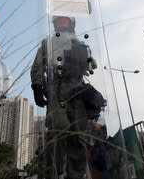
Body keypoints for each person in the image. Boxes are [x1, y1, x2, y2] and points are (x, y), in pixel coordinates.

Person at [31, 15, 101, 179]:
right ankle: (52, 173)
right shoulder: (48, 42)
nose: (62, 23)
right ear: (55, 25)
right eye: (59, 21)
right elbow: (37, 65)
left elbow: (93, 65)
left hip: (78, 89)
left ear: (71, 24)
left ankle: (76, 175)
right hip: (56, 87)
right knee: (58, 129)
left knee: (78, 135)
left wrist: (85, 54)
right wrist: (37, 85)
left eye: (65, 21)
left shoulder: (80, 43)